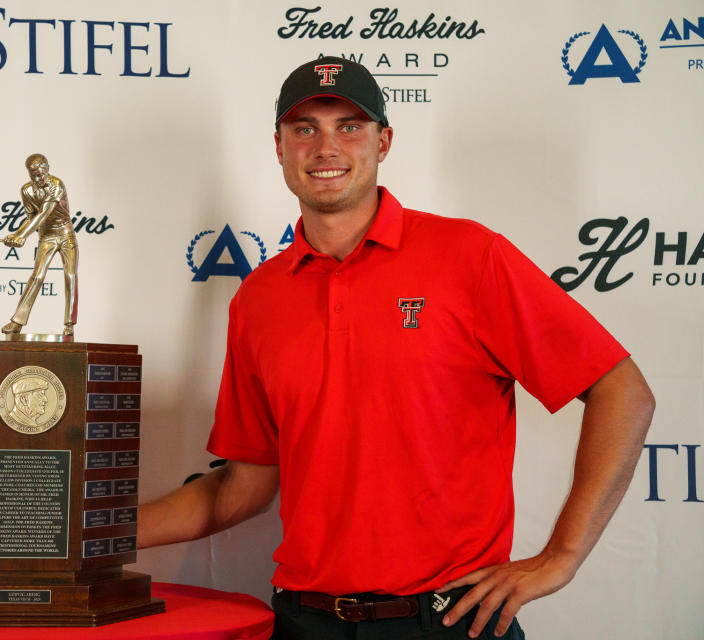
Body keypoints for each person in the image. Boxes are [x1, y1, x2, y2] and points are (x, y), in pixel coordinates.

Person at [138, 57, 654, 639]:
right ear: (279, 147)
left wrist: (562, 557)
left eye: (349, 126)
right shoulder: (258, 299)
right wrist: (91, 533)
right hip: (304, 621)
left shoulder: (470, 256)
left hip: (450, 620)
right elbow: (241, 488)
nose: (325, 146)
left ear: (383, 141)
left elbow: (622, 389)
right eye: (304, 127)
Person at [1, 153, 78, 337]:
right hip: (47, 236)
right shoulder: (26, 190)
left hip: (66, 235)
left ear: (47, 168)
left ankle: (69, 324)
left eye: (40, 174)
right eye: (33, 174)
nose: (37, 178)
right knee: (37, 276)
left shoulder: (57, 184)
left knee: (70, 276)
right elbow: (30, 218)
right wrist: (16, 235)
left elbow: (44, 214)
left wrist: (23, 237)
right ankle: (17, 322)